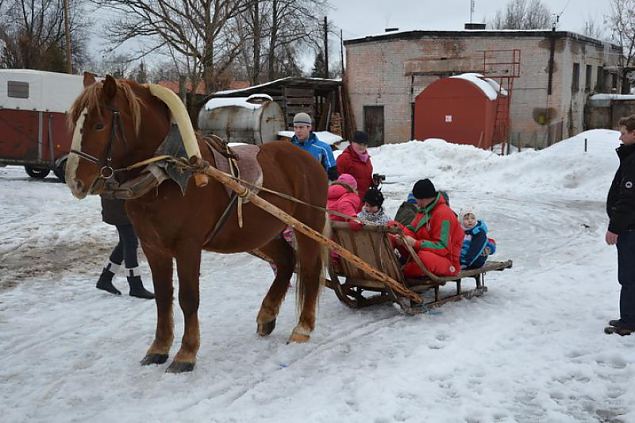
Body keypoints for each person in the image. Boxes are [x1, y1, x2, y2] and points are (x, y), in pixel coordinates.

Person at [605, 114, 635, 335]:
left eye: (624, 133)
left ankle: (629, 321)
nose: (620, 137)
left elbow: (628, 199)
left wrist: (615, 227)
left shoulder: (633, 160)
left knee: (629, 276)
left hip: (630, 229)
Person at [398, 179, 463, 278]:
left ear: (422, 199)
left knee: (424, 257)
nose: (416, 202)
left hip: (447, 261)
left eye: (416, 199)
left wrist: (416, 243)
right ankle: (395, 264)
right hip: (422, 252)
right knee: (393, 226)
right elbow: (412, 229)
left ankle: (401, 271)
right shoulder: (424, 209)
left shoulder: (443, 214)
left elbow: (443, 247)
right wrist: (400, 236)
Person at [96, 197, 155, 299]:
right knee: (130, 242)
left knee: (125, 242)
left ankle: (105, 278)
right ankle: (135, 286)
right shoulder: (110, 180)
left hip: (120, 206)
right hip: (118, 207)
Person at [290, 112, 338, 181]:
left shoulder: (323, 148)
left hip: (316, 188)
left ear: (309, 127)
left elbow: (333, 176)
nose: (298, 131)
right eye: (295, 127)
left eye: (301, 127)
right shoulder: (289, 147)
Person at [336, 130, 374, 207]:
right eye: (359, 144)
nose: (362, 147)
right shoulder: (344, 158)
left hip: (363, 202)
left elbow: (364, 178)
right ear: (352, 143)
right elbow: (338, 181)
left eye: (365, 144)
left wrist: (373, 182)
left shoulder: (366, 159)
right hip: (349, 202)